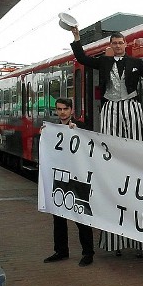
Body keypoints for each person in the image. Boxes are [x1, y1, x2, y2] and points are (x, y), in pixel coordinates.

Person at [70, 26, 143, 255]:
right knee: (110, 145)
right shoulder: (103, 63)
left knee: (136, 145)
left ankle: (138, 163)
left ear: (126, 45)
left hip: (131, 105)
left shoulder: (136, 64)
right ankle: (109, 164)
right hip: (110, 106)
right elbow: (81, 57)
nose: (117, 46)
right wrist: (76, 39)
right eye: (114, 43)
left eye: (120, 43)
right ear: (111, 47)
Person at [43, 98, 95, 267]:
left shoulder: (81, 126)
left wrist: (78, 131)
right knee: (58, 217)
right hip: (60, 175)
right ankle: (61, 251)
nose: (62, 112)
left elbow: (92, 141)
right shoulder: (52, 128)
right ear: (56, 111)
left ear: (72, 110)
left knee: (81, 215)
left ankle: (88, 253)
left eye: (65, 109)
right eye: (59, 109)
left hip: (78, 177)